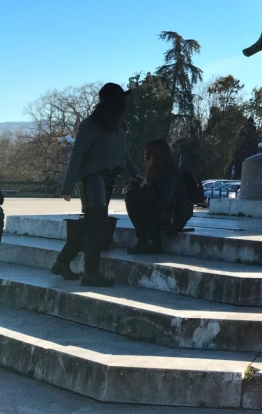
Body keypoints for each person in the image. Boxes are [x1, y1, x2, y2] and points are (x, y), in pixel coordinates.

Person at [51, 82, 142, 287]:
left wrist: (136, 173)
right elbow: (78, 155)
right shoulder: (91, 124)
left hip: (108, 179)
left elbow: (122, 152)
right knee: (96, 224)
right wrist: (68, 186)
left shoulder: (118, 123)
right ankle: (91, 272)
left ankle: (62, 262)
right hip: (93, 178)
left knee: (91, 223)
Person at [125, 139, 193, 254]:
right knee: (133, 194)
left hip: (173, 217)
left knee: (137, 196)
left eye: (148, 156)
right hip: (163, 213)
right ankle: (145, 239)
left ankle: (150, 241)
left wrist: (144, 190)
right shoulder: (155, 173)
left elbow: (164, 203)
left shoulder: (172, 176)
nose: (145, 159)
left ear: (157, 157)